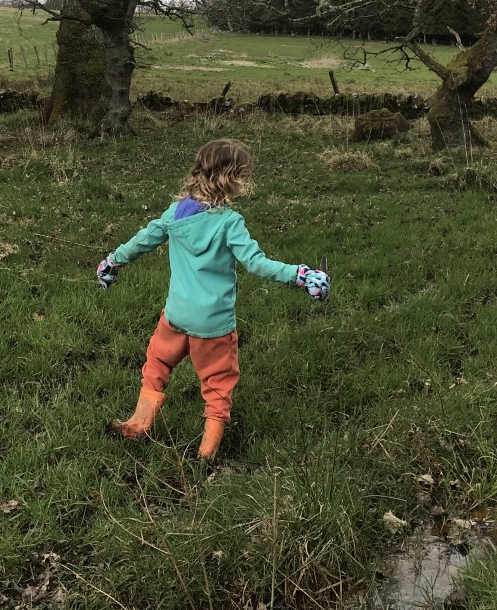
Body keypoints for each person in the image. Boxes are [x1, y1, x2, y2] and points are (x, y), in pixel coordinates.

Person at [96, 139, 331, 460]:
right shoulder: (229, 223)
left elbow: (141, 241)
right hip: (214, 325)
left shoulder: (175, 213)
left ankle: (138, 423)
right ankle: (206, 454)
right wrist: (301, 275)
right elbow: (257, 264)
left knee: (156, 364)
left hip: (176, 317)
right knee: (218, 383)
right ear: (232, 179)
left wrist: (111, 262)